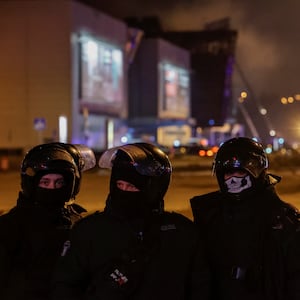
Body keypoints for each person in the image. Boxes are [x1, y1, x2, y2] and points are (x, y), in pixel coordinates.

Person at [52, 142, 211, 300]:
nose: (124, 192)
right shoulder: (89, 231)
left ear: (153, 189)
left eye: (132, 186)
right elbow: (66, 286)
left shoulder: (181, 232)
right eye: (119, 185)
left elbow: (200, 287)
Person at [190, 137, 300, 300]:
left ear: (257, 171)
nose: (233, 179)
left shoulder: (284, 221)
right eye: (228, 173)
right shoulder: (209, 217)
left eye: (240, 171)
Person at [0, 142, 96, 300]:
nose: (52, 188)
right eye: (45, 182)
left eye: (59, 183)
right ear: (32, 184)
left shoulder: (76, 223)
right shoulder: (10, 227)